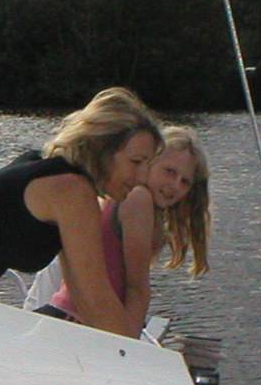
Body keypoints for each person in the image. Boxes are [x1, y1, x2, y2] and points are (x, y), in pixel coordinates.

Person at [0, 87, 161, 337]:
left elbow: (82, 292)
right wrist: (131, 355)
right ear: (102, 150)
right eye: (136, 162)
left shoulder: (46, 168)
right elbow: (96, 297)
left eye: (147, 165)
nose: (142, 178)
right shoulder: (72, 190)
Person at [36, 125, 211, 332]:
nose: (175, 185)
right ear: (149, 163)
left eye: (185, 181)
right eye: (169, 171)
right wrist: (128, 347)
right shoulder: (139, 198)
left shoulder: (140, 201)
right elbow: (137, 288)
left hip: (79, 319)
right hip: (74, 321)